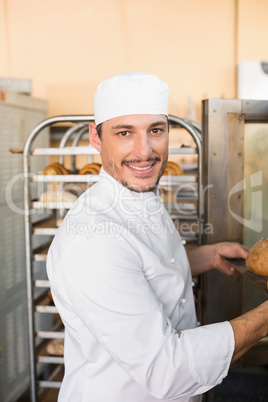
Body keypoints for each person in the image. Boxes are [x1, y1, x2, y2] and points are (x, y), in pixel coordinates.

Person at [47, 72, 268, 402]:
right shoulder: (93, 241)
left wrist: (199, 258)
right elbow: (167, 371)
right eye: (124, 132)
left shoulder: (137, 193)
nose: (145, 150)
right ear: (96, 137)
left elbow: (141, 266)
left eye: (156, 130)